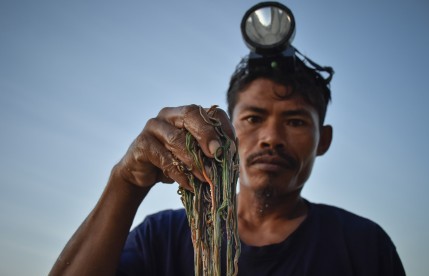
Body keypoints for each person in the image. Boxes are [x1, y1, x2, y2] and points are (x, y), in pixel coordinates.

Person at [50, 7, 405, 276]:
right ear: (229, 133)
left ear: (322, 140)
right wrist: (125, 182)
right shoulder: (164, 237)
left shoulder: (363, 246)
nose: (271, 138)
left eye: (295, 121)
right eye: (253, 119)